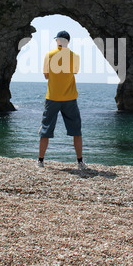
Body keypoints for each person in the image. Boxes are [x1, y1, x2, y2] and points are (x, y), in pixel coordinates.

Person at [38, 30, 86, 170]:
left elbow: (46, 76)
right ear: (68, 41)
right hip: (70, 97)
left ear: (57, 41)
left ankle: (40, 161)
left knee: (45, 129)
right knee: (76, 130)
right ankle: (80, 162)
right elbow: (75, 72)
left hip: (52, 97)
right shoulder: (75, 56)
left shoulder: (49, 55)